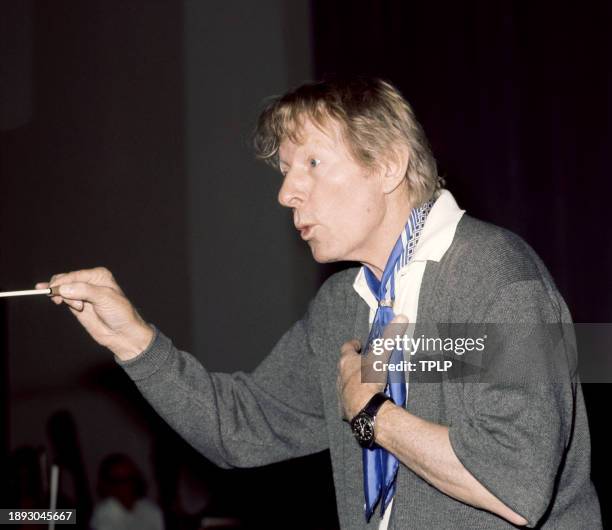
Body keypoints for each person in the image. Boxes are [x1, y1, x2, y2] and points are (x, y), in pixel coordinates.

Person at [36, 78, 601, 529]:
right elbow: (243, 430)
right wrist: (132, 340)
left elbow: (516, 486)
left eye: (310, 164)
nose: (286, 193)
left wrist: (373, 416)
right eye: (284, 173)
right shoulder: (343, 307)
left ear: (387, 165)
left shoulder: (499, 275)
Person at [90, 453, 164, 530]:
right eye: (120, 480)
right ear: (108, 485)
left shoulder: (150, 509)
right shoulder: (103, 515)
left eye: (131, 478)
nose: (128, 485)